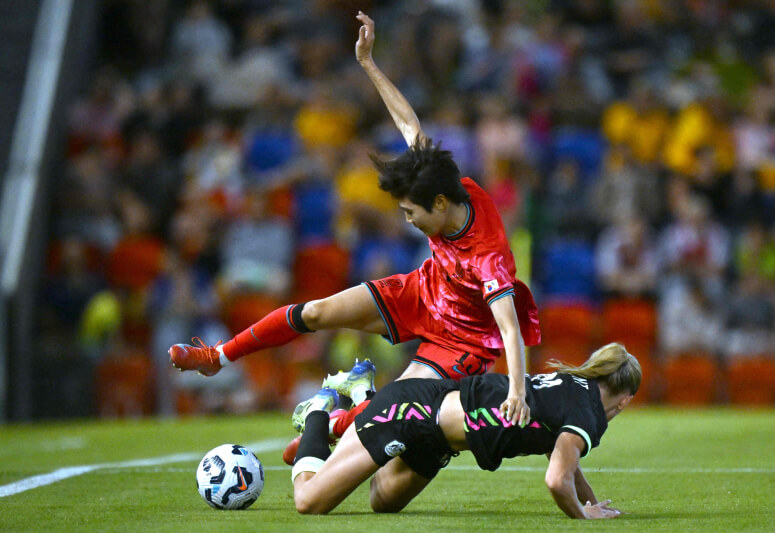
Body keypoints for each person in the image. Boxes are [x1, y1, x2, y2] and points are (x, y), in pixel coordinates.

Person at [169, 11, 540, 451]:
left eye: (411, 213)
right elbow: (408, 123)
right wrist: (368, 63)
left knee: (397, 404)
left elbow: (509, 329)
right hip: (424, 292)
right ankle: (218, 356)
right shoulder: (438, 179)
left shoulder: (486, 256)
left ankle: (333, 425)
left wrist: (517, 392)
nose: (408, 220)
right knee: (315, 313)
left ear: (440, 205)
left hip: (464, 339)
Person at [291, 343, 640, 518]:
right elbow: (556, 480)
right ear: (625, 400)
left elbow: (563, 455)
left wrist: (591, 502)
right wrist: (583, 514)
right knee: (309, 502)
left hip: (437, 439)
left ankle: (362, 396)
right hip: (412, 411)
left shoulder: (573, 386)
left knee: (384, 503)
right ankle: (318, 412)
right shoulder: (587, 412)